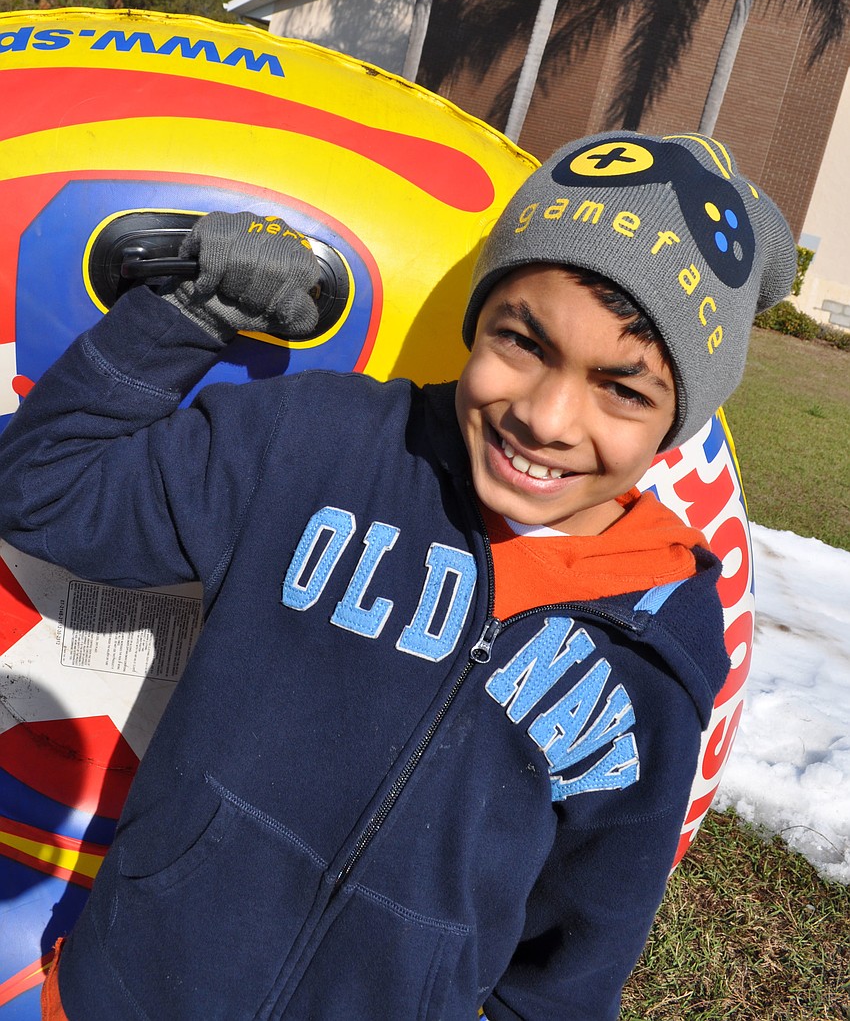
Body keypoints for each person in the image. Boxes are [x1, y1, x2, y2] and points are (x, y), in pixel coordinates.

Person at [0, 129, 796, 1021]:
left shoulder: (662, 640)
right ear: (477, 319)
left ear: (677, 418)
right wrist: (190, 312)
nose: (545, 416)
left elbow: (574, 959)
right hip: (124, 996)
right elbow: (40, 493)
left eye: (623, 388)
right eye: (522, 341)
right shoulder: (312, 446)